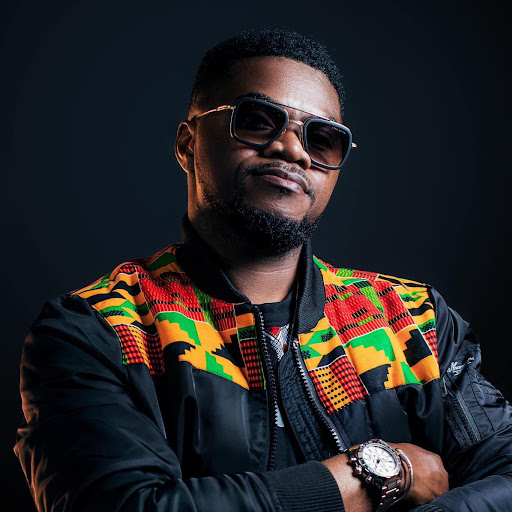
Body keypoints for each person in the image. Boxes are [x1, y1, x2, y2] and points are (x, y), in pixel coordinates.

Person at [15, 29, 512, 512]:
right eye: (257, 121)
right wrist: (371, 475)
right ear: (187, 144)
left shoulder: (414, 317)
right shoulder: (96, 331)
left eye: (323, 140)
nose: (293, 150)